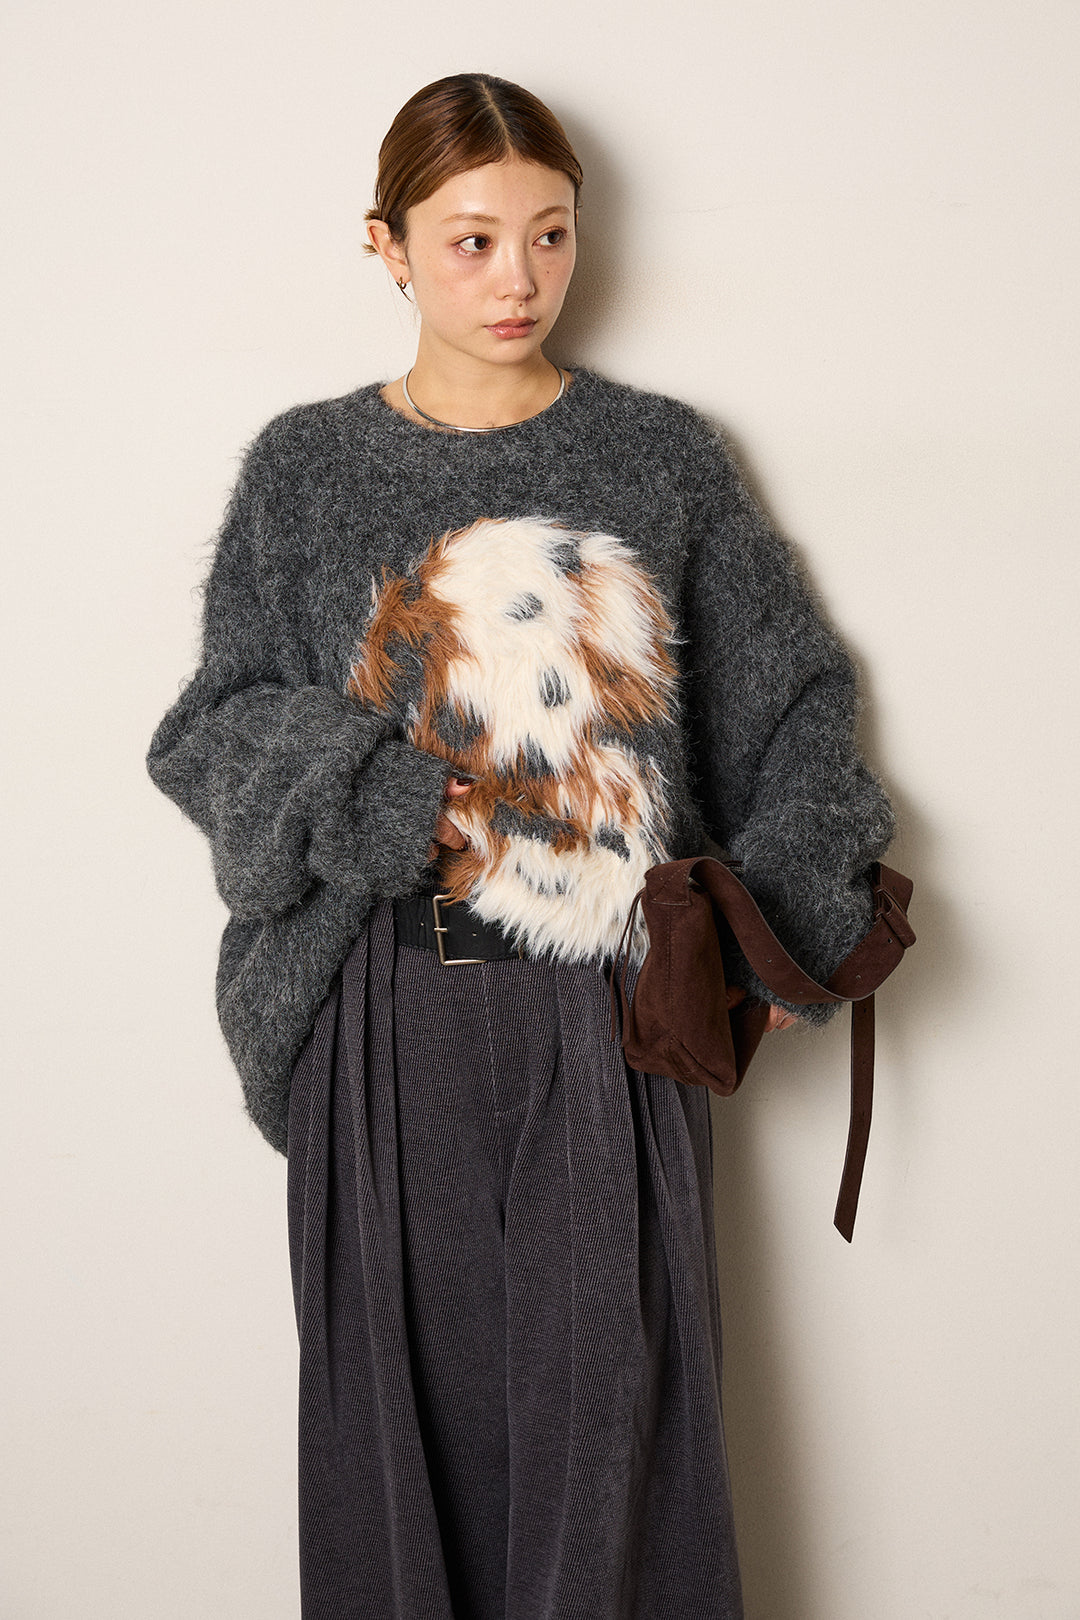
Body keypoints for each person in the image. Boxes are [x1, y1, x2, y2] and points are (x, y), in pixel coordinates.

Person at [146, 72, 894, 1620]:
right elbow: (211, 728)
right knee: (388, 1448)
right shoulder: (304, 470)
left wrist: (782, 927)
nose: (518, 277)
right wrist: (381, 793)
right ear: (387, 244)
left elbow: (797, 706)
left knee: (615, 1441)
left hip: (604, 1008)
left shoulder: (659, 456)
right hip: (375, 1006)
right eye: (472, 239)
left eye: (550, 234)